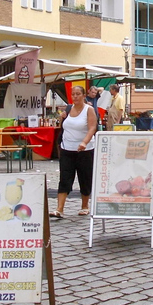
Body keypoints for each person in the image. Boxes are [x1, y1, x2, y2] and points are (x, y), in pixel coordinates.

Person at [51, 85, 97, 218]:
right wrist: (61, 119)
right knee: (64, 178)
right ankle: (59, 209)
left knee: (85, 177)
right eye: (73, 94)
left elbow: (92, 127)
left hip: (85, 150)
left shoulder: (89, 109)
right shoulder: (69, 108)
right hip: (67, 149)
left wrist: (84, 142)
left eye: (78, 94)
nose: (75, 96)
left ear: (84, 96)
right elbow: (65, 126)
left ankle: (84, 206)